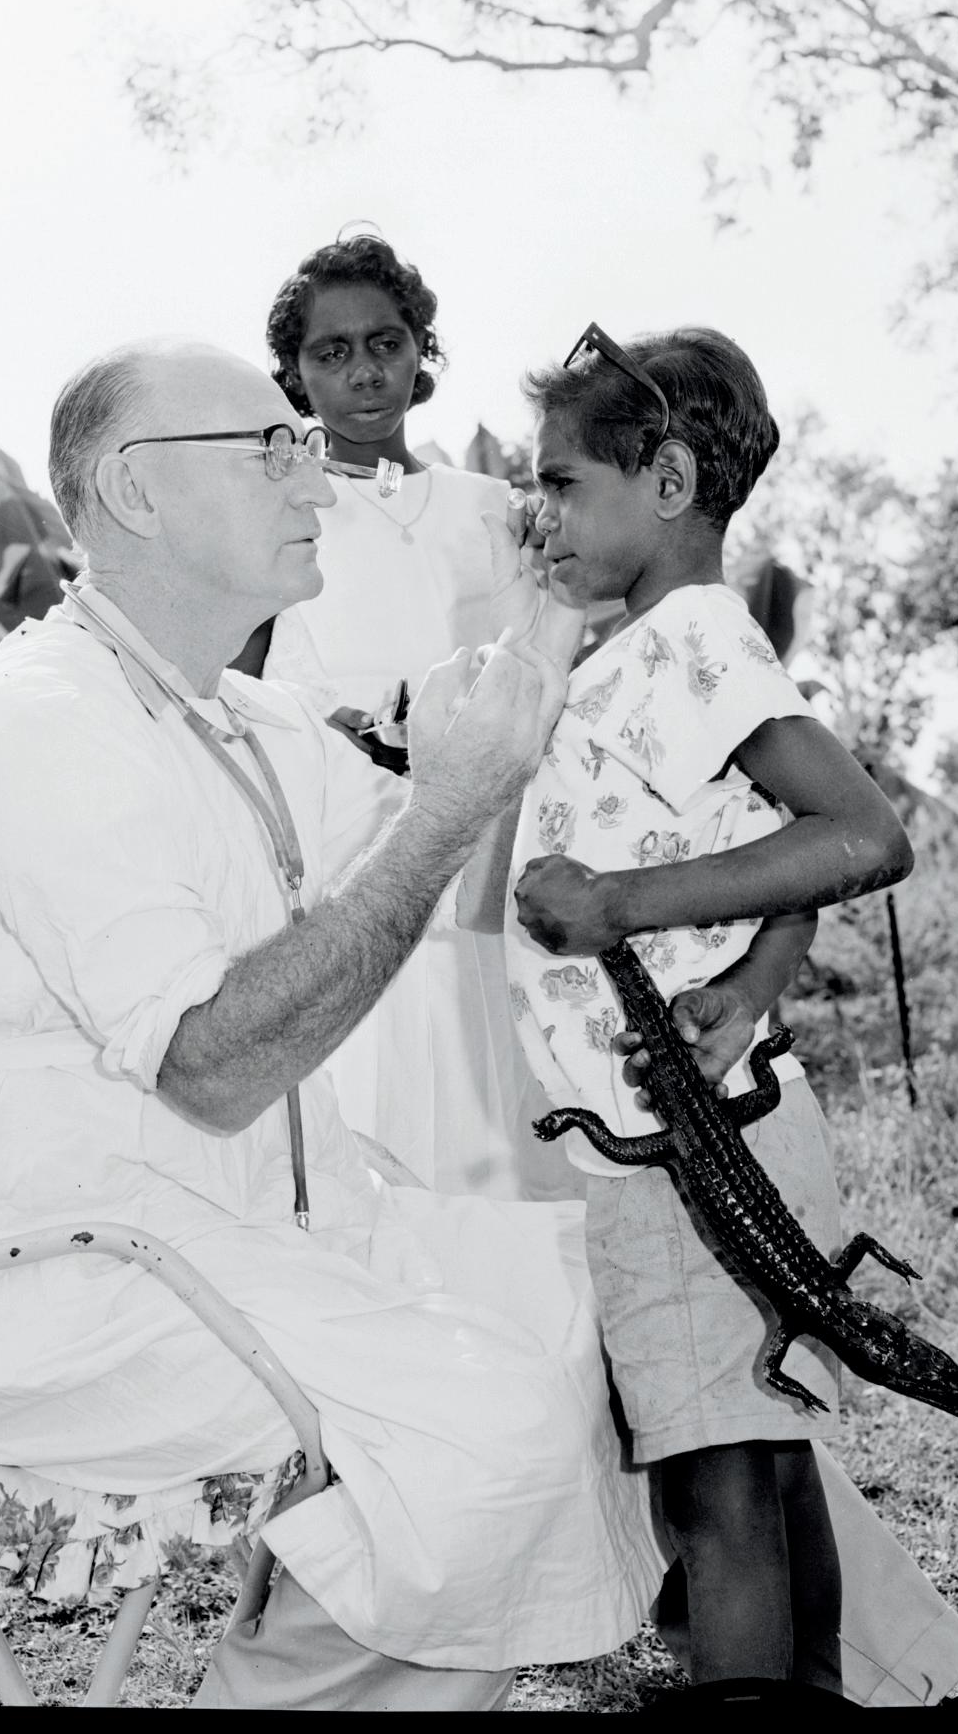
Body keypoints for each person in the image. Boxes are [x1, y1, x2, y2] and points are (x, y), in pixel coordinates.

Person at [0, 336, 670, 1711]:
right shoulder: (43, 725)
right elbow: (214, 1064)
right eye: (272, 450)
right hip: (66, 1279)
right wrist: (445, 806)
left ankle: (312, 1655)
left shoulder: (238, 714)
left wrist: (542, 628)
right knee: (498, 1424)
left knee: (576, 1302)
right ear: (136, 490)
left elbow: (416, 857)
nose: (318, 480)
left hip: (234, 1231)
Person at [499, 323, 951, 1705]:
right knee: (762, 1463)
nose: (541, 512)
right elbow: (779, 852)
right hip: (708, 1128)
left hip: (684, 1159)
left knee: (716, 1492)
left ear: (669, 482)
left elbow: (861, 835)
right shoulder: (648, 649)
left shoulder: (690, 640)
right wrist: (752, 982)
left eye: (563, 483)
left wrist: (619, 902)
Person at [246, 232, 579, 1200]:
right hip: (349, 873)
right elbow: (240, 700)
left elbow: (542, 667)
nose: (364, 372)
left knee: (501, 1137)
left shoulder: (492, 511)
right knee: (375, 1151)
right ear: (296, 373)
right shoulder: (279, 514)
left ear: (419, 350)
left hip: (486, 864)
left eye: (385, 344)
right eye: (332, 352)